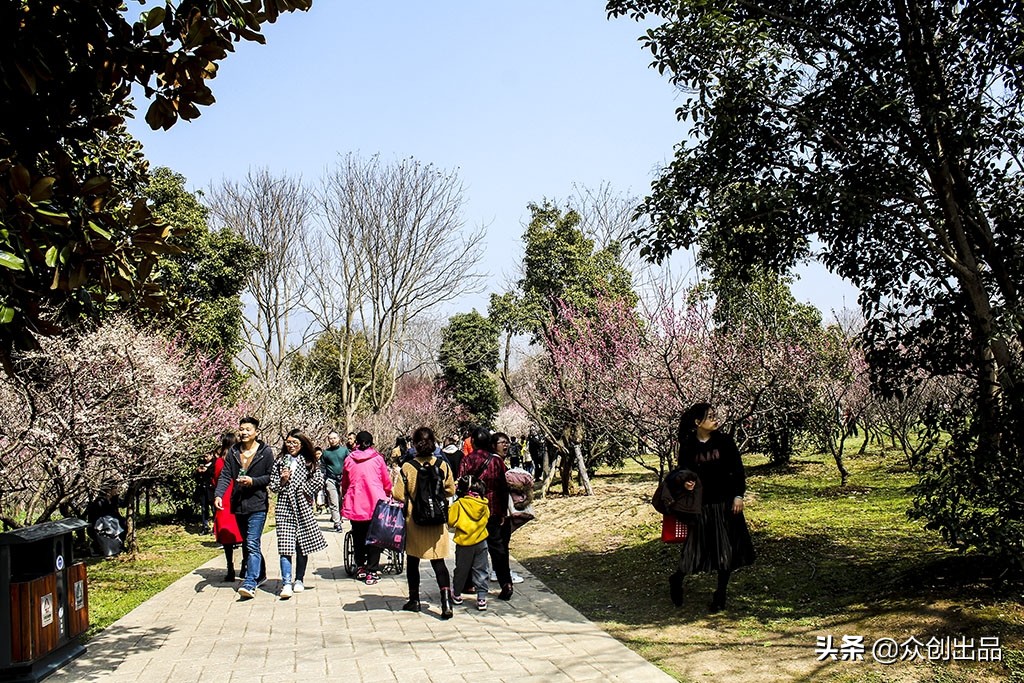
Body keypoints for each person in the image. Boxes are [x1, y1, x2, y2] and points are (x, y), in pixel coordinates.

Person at [670, 402, 755, 612]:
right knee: (694, 550)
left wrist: (738, 495)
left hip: (724, 504)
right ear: (698, 422)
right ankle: (677, 578)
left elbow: (738, 470)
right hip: (701, 506)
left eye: (714, 415)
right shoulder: (688, 445)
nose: (715, 419)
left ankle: (720, 594)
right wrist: (686, 482)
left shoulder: (725, 442)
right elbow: (683, 471)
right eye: (709, 416)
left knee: (726, 550)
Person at [393, 426, 456, 618]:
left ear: (414, 444)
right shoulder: (442, 465)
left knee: (413, 562)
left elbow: (398, 494)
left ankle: (414, 600)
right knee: (439, 562)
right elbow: (451, 490)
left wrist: (413, 498)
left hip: (415, 520)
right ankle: (446, 602)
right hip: (437, 521)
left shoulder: (408, 467)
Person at [214, 416, 275, 599]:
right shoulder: (233, 451)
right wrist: (219, 494)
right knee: (249, 543)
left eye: (248, 429)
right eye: (241, 429)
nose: (244, 432)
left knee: (252, 542)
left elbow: (270, 476)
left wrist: (253, 481)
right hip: (239, 504)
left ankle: (250, 582)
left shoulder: (265, 452)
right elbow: (226, 475)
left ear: (256, 432)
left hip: (257, 503)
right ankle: (261, 574)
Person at [270, 429, 328, 599]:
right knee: (285, 546)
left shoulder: (309, 462)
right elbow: (273, 485)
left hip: (303, 507)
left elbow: (319, 480)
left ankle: (299, 579)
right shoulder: (280, 461)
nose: (291, 446)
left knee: (302, 544)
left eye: (295, 443)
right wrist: (283, 480)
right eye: (288, 442)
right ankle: (286, 582)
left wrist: (304, 490)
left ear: (302, 444)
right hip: (284, 507)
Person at [459, 428, 515, 599]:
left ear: (473, 443)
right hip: (493, 510)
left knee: (470, 546)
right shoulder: (496, 461)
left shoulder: (467, 460)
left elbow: (461, 485)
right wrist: (503, 511)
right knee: (498, 549)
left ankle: (469, 583)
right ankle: (506, 583)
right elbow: (503, 487)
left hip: (472, 511)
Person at [341, 430, 393, 585]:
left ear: (356, 443)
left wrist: (346, 494)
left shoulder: (349, 459)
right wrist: (388, 492)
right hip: (375, 502)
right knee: (375, 537)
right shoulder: (378, 459)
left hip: (356, 502)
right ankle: (372, 570)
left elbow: (345, 482)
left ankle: (360, 566)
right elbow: (386, 481)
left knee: (358, 536)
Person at [448, 476, 490, 611]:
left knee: (461, 569)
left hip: (464, 542)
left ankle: (457, 594)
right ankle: (481, 598)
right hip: (481, 541)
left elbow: (450, 521)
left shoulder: (459, 504)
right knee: (481, 569)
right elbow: (487, 518)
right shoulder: (483, 504)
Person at [211, 431, 244, 581]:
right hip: (237, 498)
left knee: (227, 539)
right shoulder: (240, 459)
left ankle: (230, 567)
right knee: (244, 534)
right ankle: (245, 566)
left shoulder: (219, 462)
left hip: (223, 499)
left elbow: (215, 480)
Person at [321, 431, 349, 532]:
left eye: (334, 438)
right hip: (330, 479)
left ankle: (339, 517)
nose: (332, 440)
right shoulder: (325, 453)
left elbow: (350, 463)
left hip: (343, 479)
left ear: (338, 439)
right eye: (330, 438)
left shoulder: (344, 451)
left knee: (341, 500)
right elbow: (322, 466)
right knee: (333, 501)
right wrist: (323, 478)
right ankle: (337, 523)